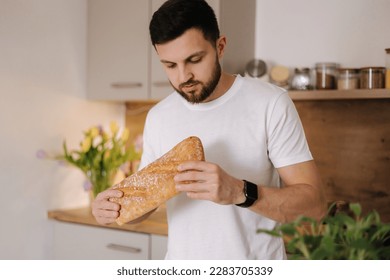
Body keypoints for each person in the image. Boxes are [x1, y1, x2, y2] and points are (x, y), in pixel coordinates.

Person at [92, 0, 327, 259]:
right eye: (170, 65)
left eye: (194, 59)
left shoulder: (270, 104)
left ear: (220, 46)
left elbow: (314, 207)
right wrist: (113, 208)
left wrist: (239, 192)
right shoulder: (159, 116)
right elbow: (146, 204)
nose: (183, 77)